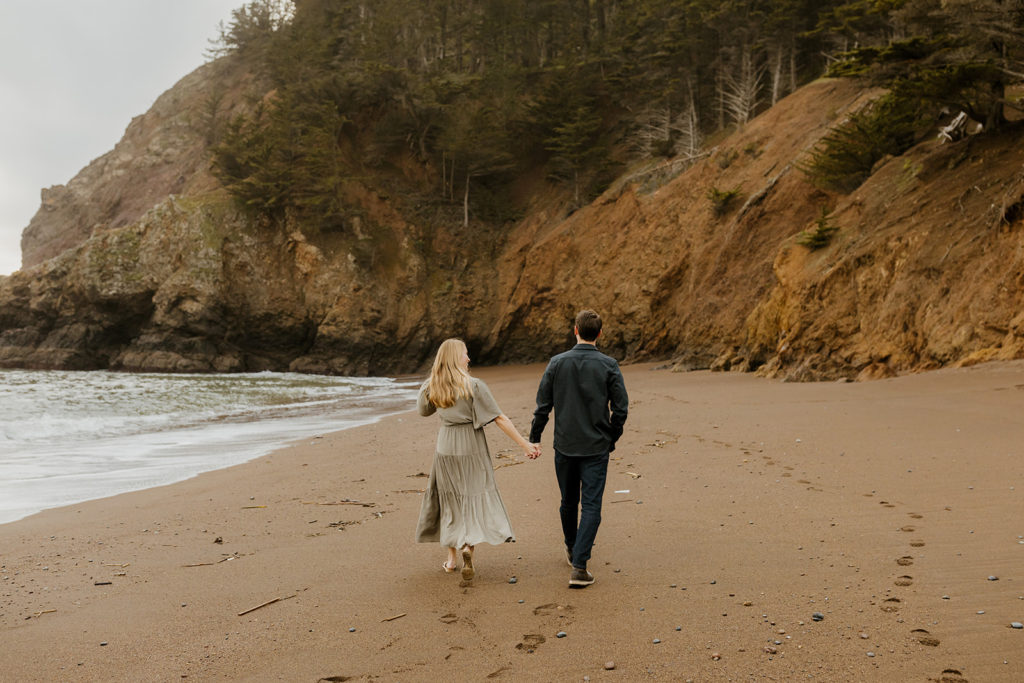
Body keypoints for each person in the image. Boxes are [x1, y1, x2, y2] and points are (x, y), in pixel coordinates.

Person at [415, 338, 539, 581]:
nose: (469, 359)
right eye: (465, 354)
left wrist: (431, 380)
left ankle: (451, 561)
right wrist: (524, 444)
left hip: (446, 445)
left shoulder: (434, 386)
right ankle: (467, 548)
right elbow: (499, 418)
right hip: (471, 445)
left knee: (449, 500)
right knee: (473, 496)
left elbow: (423, 410)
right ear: (455, 358)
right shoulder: (473, 385)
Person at [529, 310, 628, 588]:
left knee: (568, 501)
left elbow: (543, 406)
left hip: (565, 445)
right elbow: (621, 409)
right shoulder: (609, 365)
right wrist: (612, 437)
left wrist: (534, 437)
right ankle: (579, 565)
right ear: (599, 334)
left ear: (575, 331)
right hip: (596, 446)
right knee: (592, 506)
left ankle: (573, 549)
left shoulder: (557, 363)